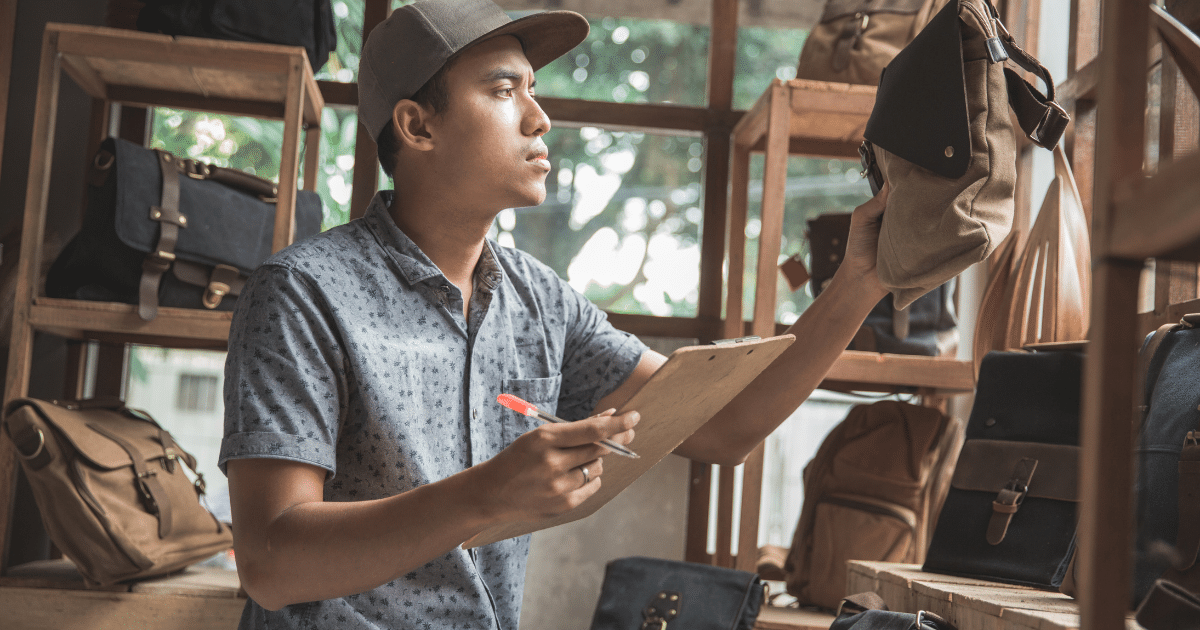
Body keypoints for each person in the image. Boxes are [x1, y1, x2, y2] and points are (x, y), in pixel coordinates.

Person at [219, 1, 890, 628]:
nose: (540, 118)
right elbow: (272, 566)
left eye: (532, 90)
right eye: (505, 91)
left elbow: (724, 428)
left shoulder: (539, 299)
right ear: (417, 125)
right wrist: (489, 493)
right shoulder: (301, 292)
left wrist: (863, 279)